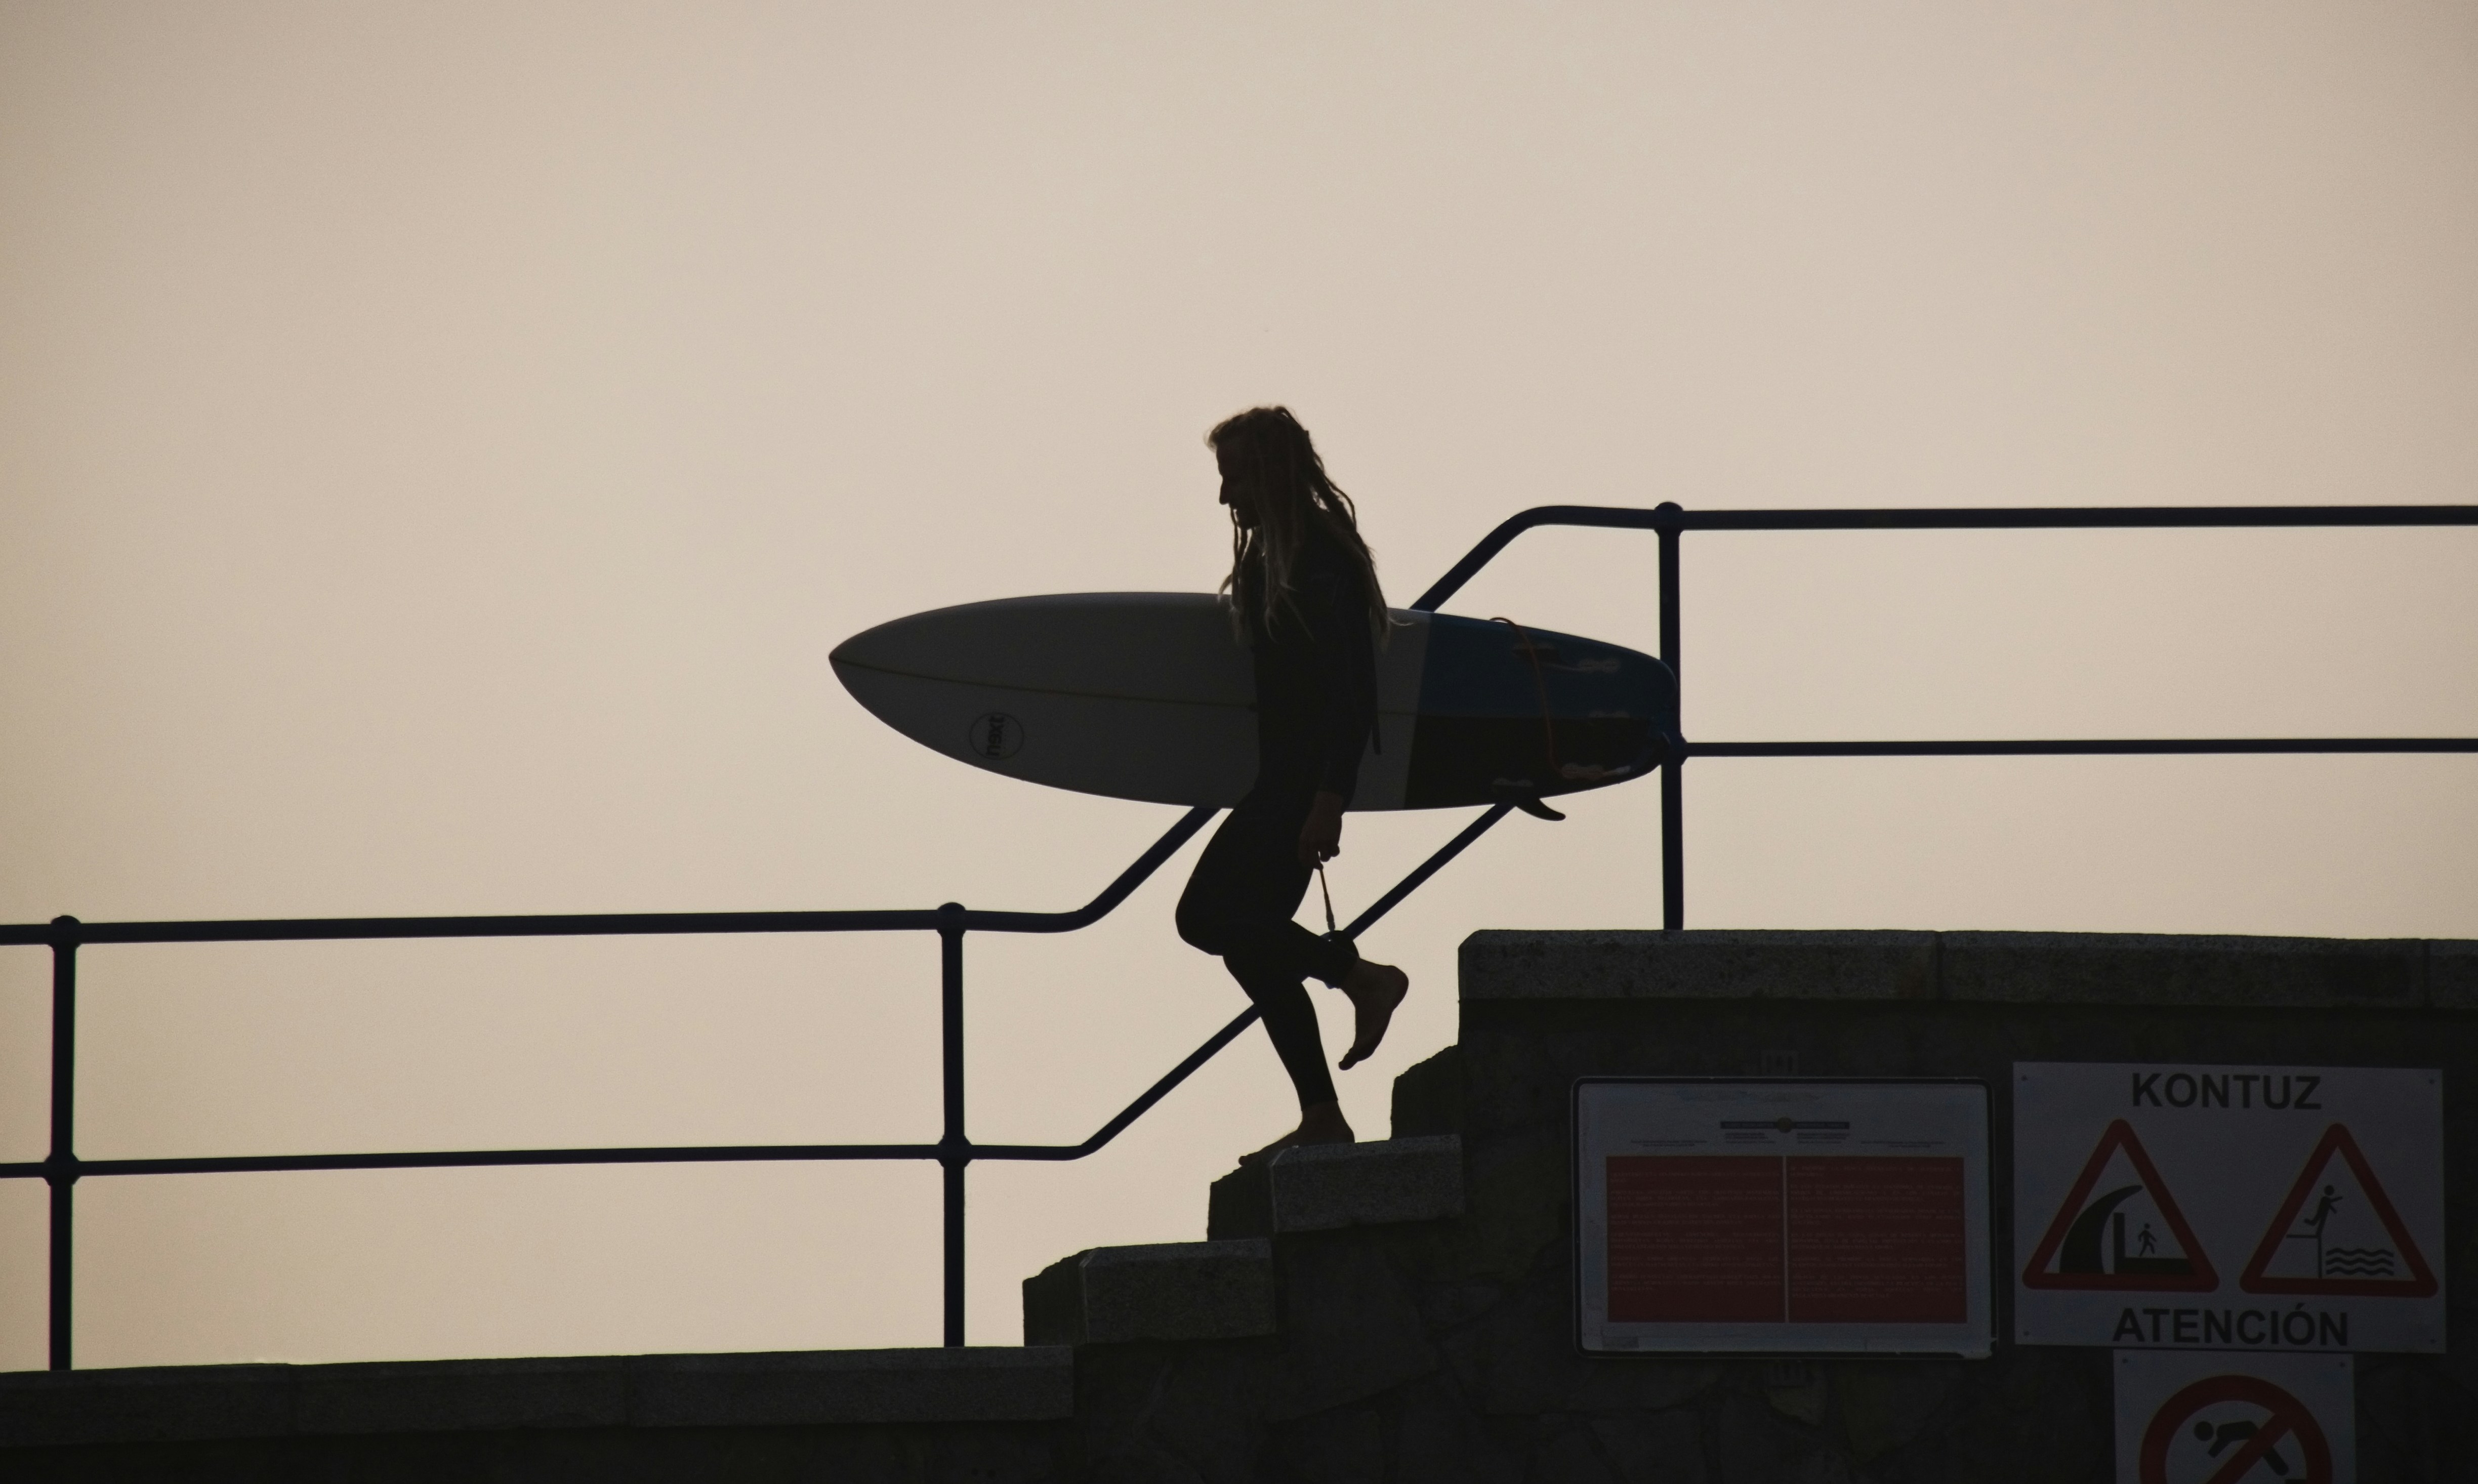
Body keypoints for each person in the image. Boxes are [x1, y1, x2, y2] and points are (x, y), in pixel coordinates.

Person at [1175, 406, 1411, 1165]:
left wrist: (1327, 802)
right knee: (1253, 946)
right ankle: (1323, 1117)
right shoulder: (1274, 560)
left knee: (1205, 916)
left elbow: (1351, 692)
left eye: (1235, 478)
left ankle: (1364, 979)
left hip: (1301, 784)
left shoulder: (1320, 560)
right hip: (1282, 778)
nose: (1224, 499)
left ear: (1273, 473)